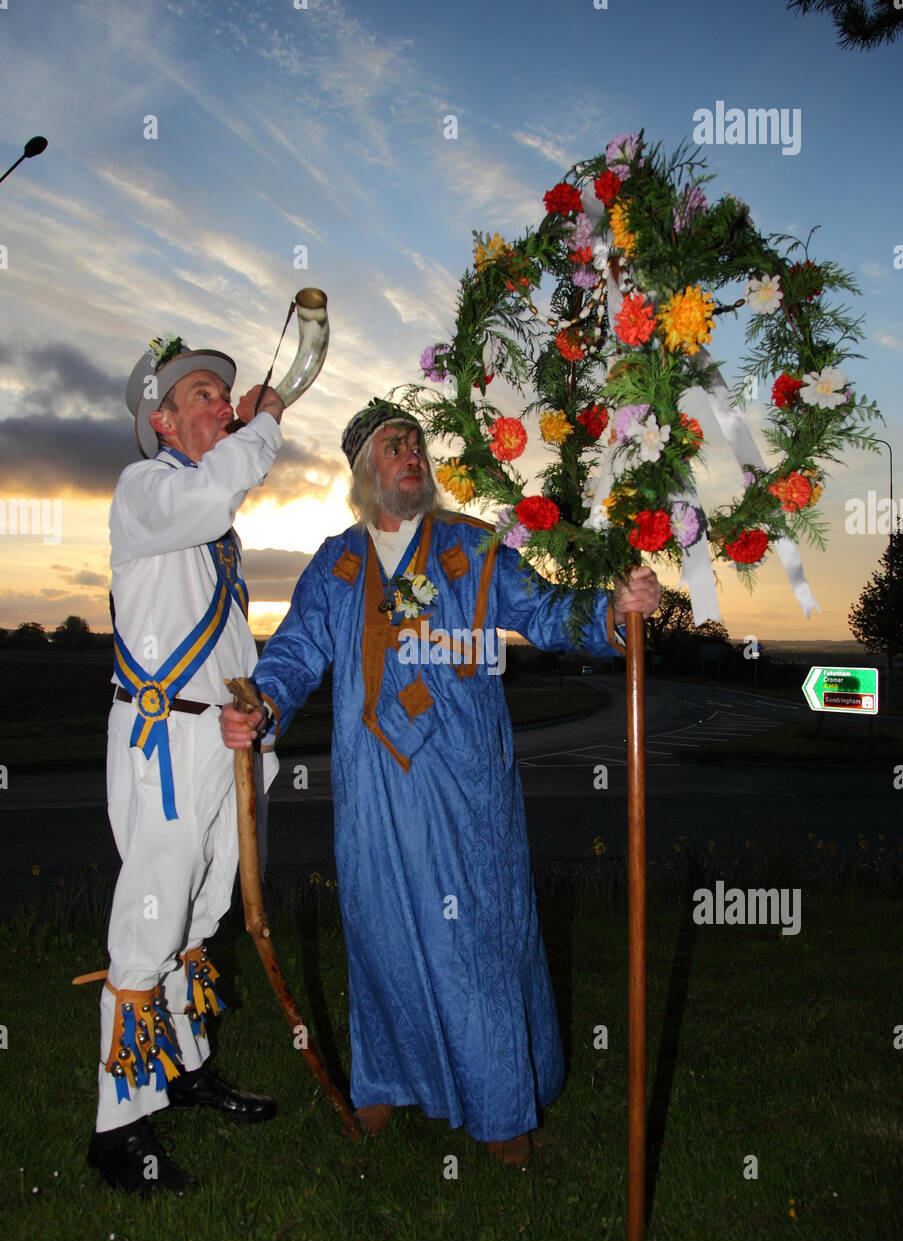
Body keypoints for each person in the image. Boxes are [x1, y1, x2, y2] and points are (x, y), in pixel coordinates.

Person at [221, 399, 660, 1165]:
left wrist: (611, 611)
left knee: (475, 943)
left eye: (416, 441)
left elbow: (545, 609)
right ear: (362, 474)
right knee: (379, 932)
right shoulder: (336, 562)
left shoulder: (473, 547)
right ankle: (385, 1080)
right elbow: (293, 653)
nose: (410, 454)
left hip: (462, 786)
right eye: (392, 446)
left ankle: (499, 1110)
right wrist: (262, 702)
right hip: (371, 791)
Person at [87, 338, 284, 1194]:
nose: (223, 405)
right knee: (149, 926)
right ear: (163, 421)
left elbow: (230, 647)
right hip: (161, 745)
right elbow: (213, 490)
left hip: (219, 744)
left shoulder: (213, 535)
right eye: (205, 395)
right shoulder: (149, 494)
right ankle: (117, 1131)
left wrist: (257, 727)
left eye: (229, 397)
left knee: (200, 918)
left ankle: (186, 1068)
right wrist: (268, 424)